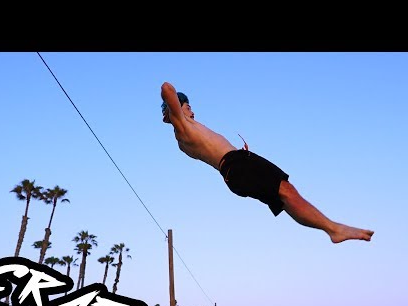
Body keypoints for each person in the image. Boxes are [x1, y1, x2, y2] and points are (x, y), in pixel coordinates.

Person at [160, 82, 374, 244]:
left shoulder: (187, 132)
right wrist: (174, 108)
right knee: (286, 193)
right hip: (236, 165)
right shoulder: (182, 129)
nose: (192, 111)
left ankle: (331, 229)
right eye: (187, 106)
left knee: (287, 196)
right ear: (174, 111)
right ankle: (333, 229)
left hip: (238, 165)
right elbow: (166, 88)